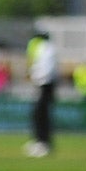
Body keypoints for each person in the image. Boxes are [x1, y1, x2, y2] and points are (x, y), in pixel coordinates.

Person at [24, 28, 57, 158]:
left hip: (45, 85)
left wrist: (35, 77)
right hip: (43, 84)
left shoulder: (46, 48)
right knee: (39, 114)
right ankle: (39, 141)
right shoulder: (44, 48)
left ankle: (43, 143)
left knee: (41, 114)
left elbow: (46, 69)